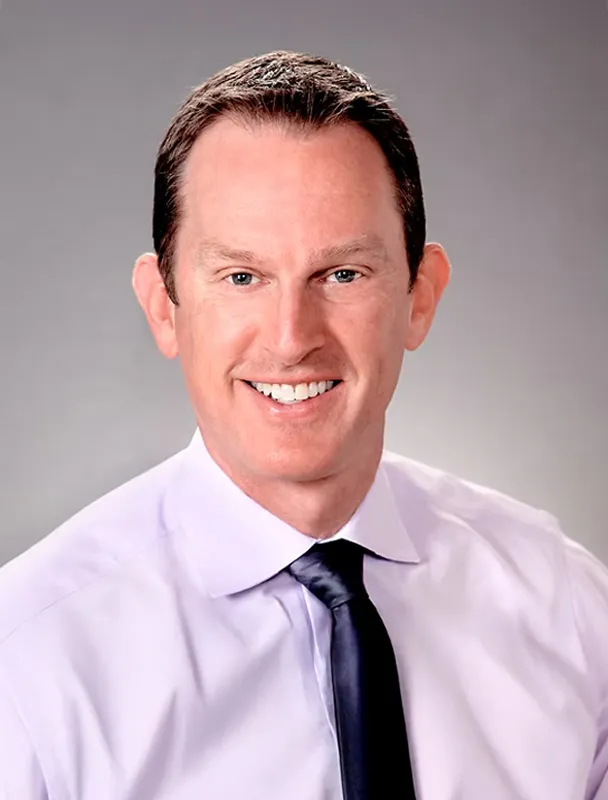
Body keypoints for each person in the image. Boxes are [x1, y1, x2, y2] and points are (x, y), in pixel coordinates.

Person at [0, 50, 606, 800]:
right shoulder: (26, 665)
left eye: (342, 274)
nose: (291, 337)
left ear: (420, 297)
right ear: (164, 306)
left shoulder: (568, 608)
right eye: (242, 277)